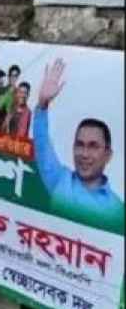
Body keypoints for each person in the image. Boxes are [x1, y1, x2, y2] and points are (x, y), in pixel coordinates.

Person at [32, 58, 124, 231]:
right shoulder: (60, 180)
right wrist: (43, 105)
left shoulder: (117, 211)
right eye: (80, 145)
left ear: (108, 155)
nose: (84, 154)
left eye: (93, 146)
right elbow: (42, 145)